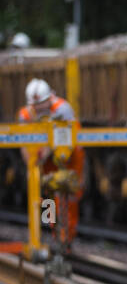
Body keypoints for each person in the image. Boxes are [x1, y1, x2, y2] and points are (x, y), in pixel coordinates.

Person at [19, 78, 85, 243]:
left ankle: (66, 238)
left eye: (42, 104)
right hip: (45, 159)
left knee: (69, 196)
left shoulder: (63, 109)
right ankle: (54, 233)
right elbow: (23, 143)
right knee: (47, 195)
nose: (39, 109)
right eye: (36, 106)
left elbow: (63, 139)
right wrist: (31, 166)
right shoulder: (26, 115)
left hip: (69, 157)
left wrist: (43, 154)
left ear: (50, 98)